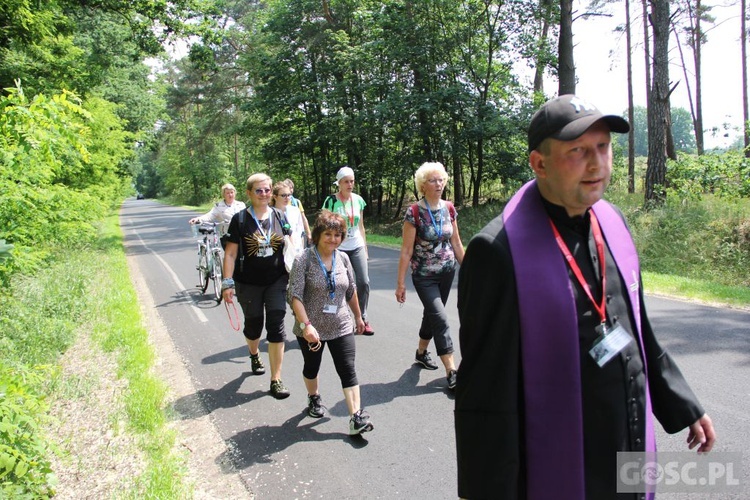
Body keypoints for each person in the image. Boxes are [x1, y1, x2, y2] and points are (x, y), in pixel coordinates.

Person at [455, 95, 716, 499]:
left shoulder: (613, 224)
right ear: (539, 164)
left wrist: (683, 404)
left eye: (603, 147)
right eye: (578, 151)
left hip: (626, 441)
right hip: (565, 462)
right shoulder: (497, 253)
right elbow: (486, 399)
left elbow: (637, 328)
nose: (597, 163)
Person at [287, 210, 374, 435]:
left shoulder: (343, 258)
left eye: (338, 235)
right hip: (311, 328)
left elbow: (351, 290)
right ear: (318, 234)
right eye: (328, 234)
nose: (333, 239)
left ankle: (356, 417)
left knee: (348, 369)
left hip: (340, 324)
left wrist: (358, 316)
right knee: (311, 367)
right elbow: (294, 295)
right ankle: (314, 398)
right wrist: (306, 325)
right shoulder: (303, 259)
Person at [222, 173, 291, 400]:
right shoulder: (240, 220)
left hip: (276, 280)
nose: (264, 194)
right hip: (247, 283)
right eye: (258, 190)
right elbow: (230, 254)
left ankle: (276, 379)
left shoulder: (280, 216)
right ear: (249, 193)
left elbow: (292, 247)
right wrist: (227, 282)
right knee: (254, 326)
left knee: (276, 325)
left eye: (267, 190)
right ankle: (253, 353)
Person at [395, 162, 464, 390]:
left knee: (433, 315)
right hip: (424, 276)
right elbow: (406, 251)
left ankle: (421, 352)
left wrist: (469, 270)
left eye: (441, 179)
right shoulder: (414, 212)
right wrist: (400, 284)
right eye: (433, 180)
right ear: (423, 185)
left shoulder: (449, 208)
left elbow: (456, 242)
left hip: (447, 272)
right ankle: (452, 371)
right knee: (441, 319)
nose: (439, 184)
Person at [322, 166, 374, 335]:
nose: (350, 184)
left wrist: (365, 248)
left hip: (356, 244)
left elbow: (361, 226)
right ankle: (340, 317)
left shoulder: (358, 199)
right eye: (346, 181)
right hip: (338, 247)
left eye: (352, 181)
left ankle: (363, 317)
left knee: (364, 282)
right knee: (340, 284)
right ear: (339, 183)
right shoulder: (331, 201)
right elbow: (323, 226)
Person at [271, 181, 305, 258]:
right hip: (277, 253)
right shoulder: (270, 213)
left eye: (289, 195)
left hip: (295, 251)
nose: (287, 198)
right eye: (283, 195)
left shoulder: (295, 211)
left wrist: (301, 252)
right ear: (275, 197)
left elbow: (301, 232)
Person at [284, 178, 312, 246]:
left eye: (292, 188)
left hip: (297, 233)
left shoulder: (296, 202)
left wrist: (308, 233)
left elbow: (303, 218)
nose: (291, 190)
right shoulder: (281, 201)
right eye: (288, 188)